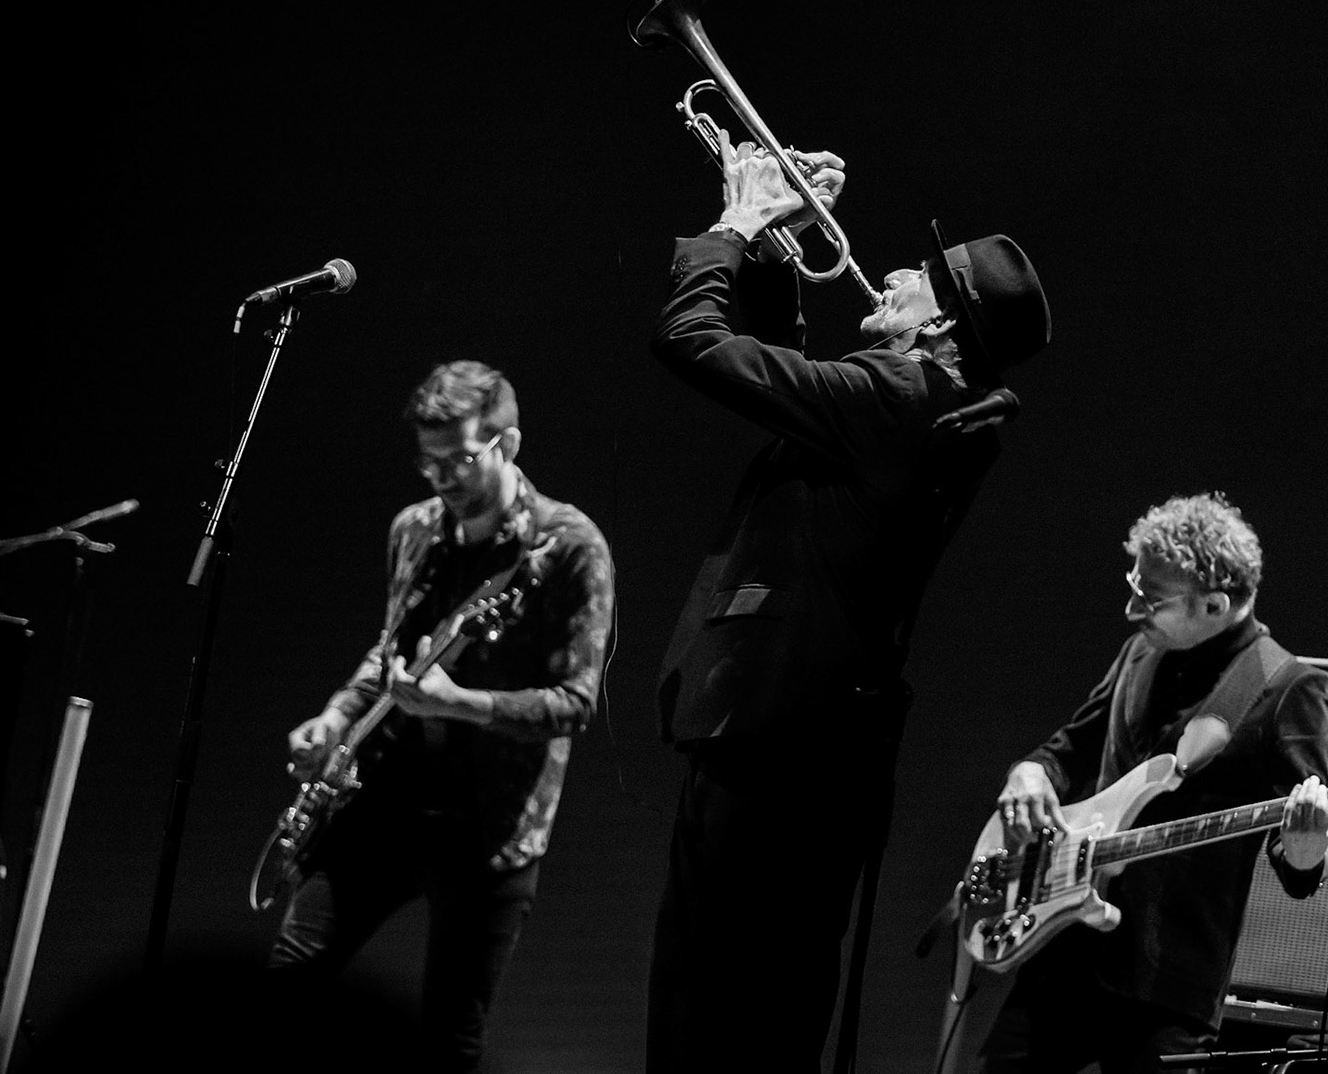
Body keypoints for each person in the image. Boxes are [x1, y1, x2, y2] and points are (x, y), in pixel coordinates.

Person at [645, 131, 1052, 1069]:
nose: (890, 273)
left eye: (916, 275)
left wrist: (734, 225)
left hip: (764, 740)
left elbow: (692, 342)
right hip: (813, 752)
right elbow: (788, 386)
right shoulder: (922, 401)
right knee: (766, 1014)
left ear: (939, 326)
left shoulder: (898, 396)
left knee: (705, 1012)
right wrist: (774, 257)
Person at [264, 359, 615, 1072]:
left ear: (507, 444)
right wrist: (334, 718)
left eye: (458, 460)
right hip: (383, 803)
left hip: (489, 831)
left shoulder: (571, 546)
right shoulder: (414, 528)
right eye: (429, 464)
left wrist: (464, 705)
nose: (443, 480)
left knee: (449, 1040)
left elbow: (574, 705)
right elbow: (388, 655)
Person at [978, 492, 1328, 1071]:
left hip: (1168, 979)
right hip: (1065, 948)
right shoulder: (1138, 653)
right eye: (1134, 586)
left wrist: (1305, 849)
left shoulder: (1288, 686)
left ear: (1216, 605)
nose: (1130, 610)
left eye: (1151, 599)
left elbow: (1298, 856)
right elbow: (1069, 747)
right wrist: (1029, 770)